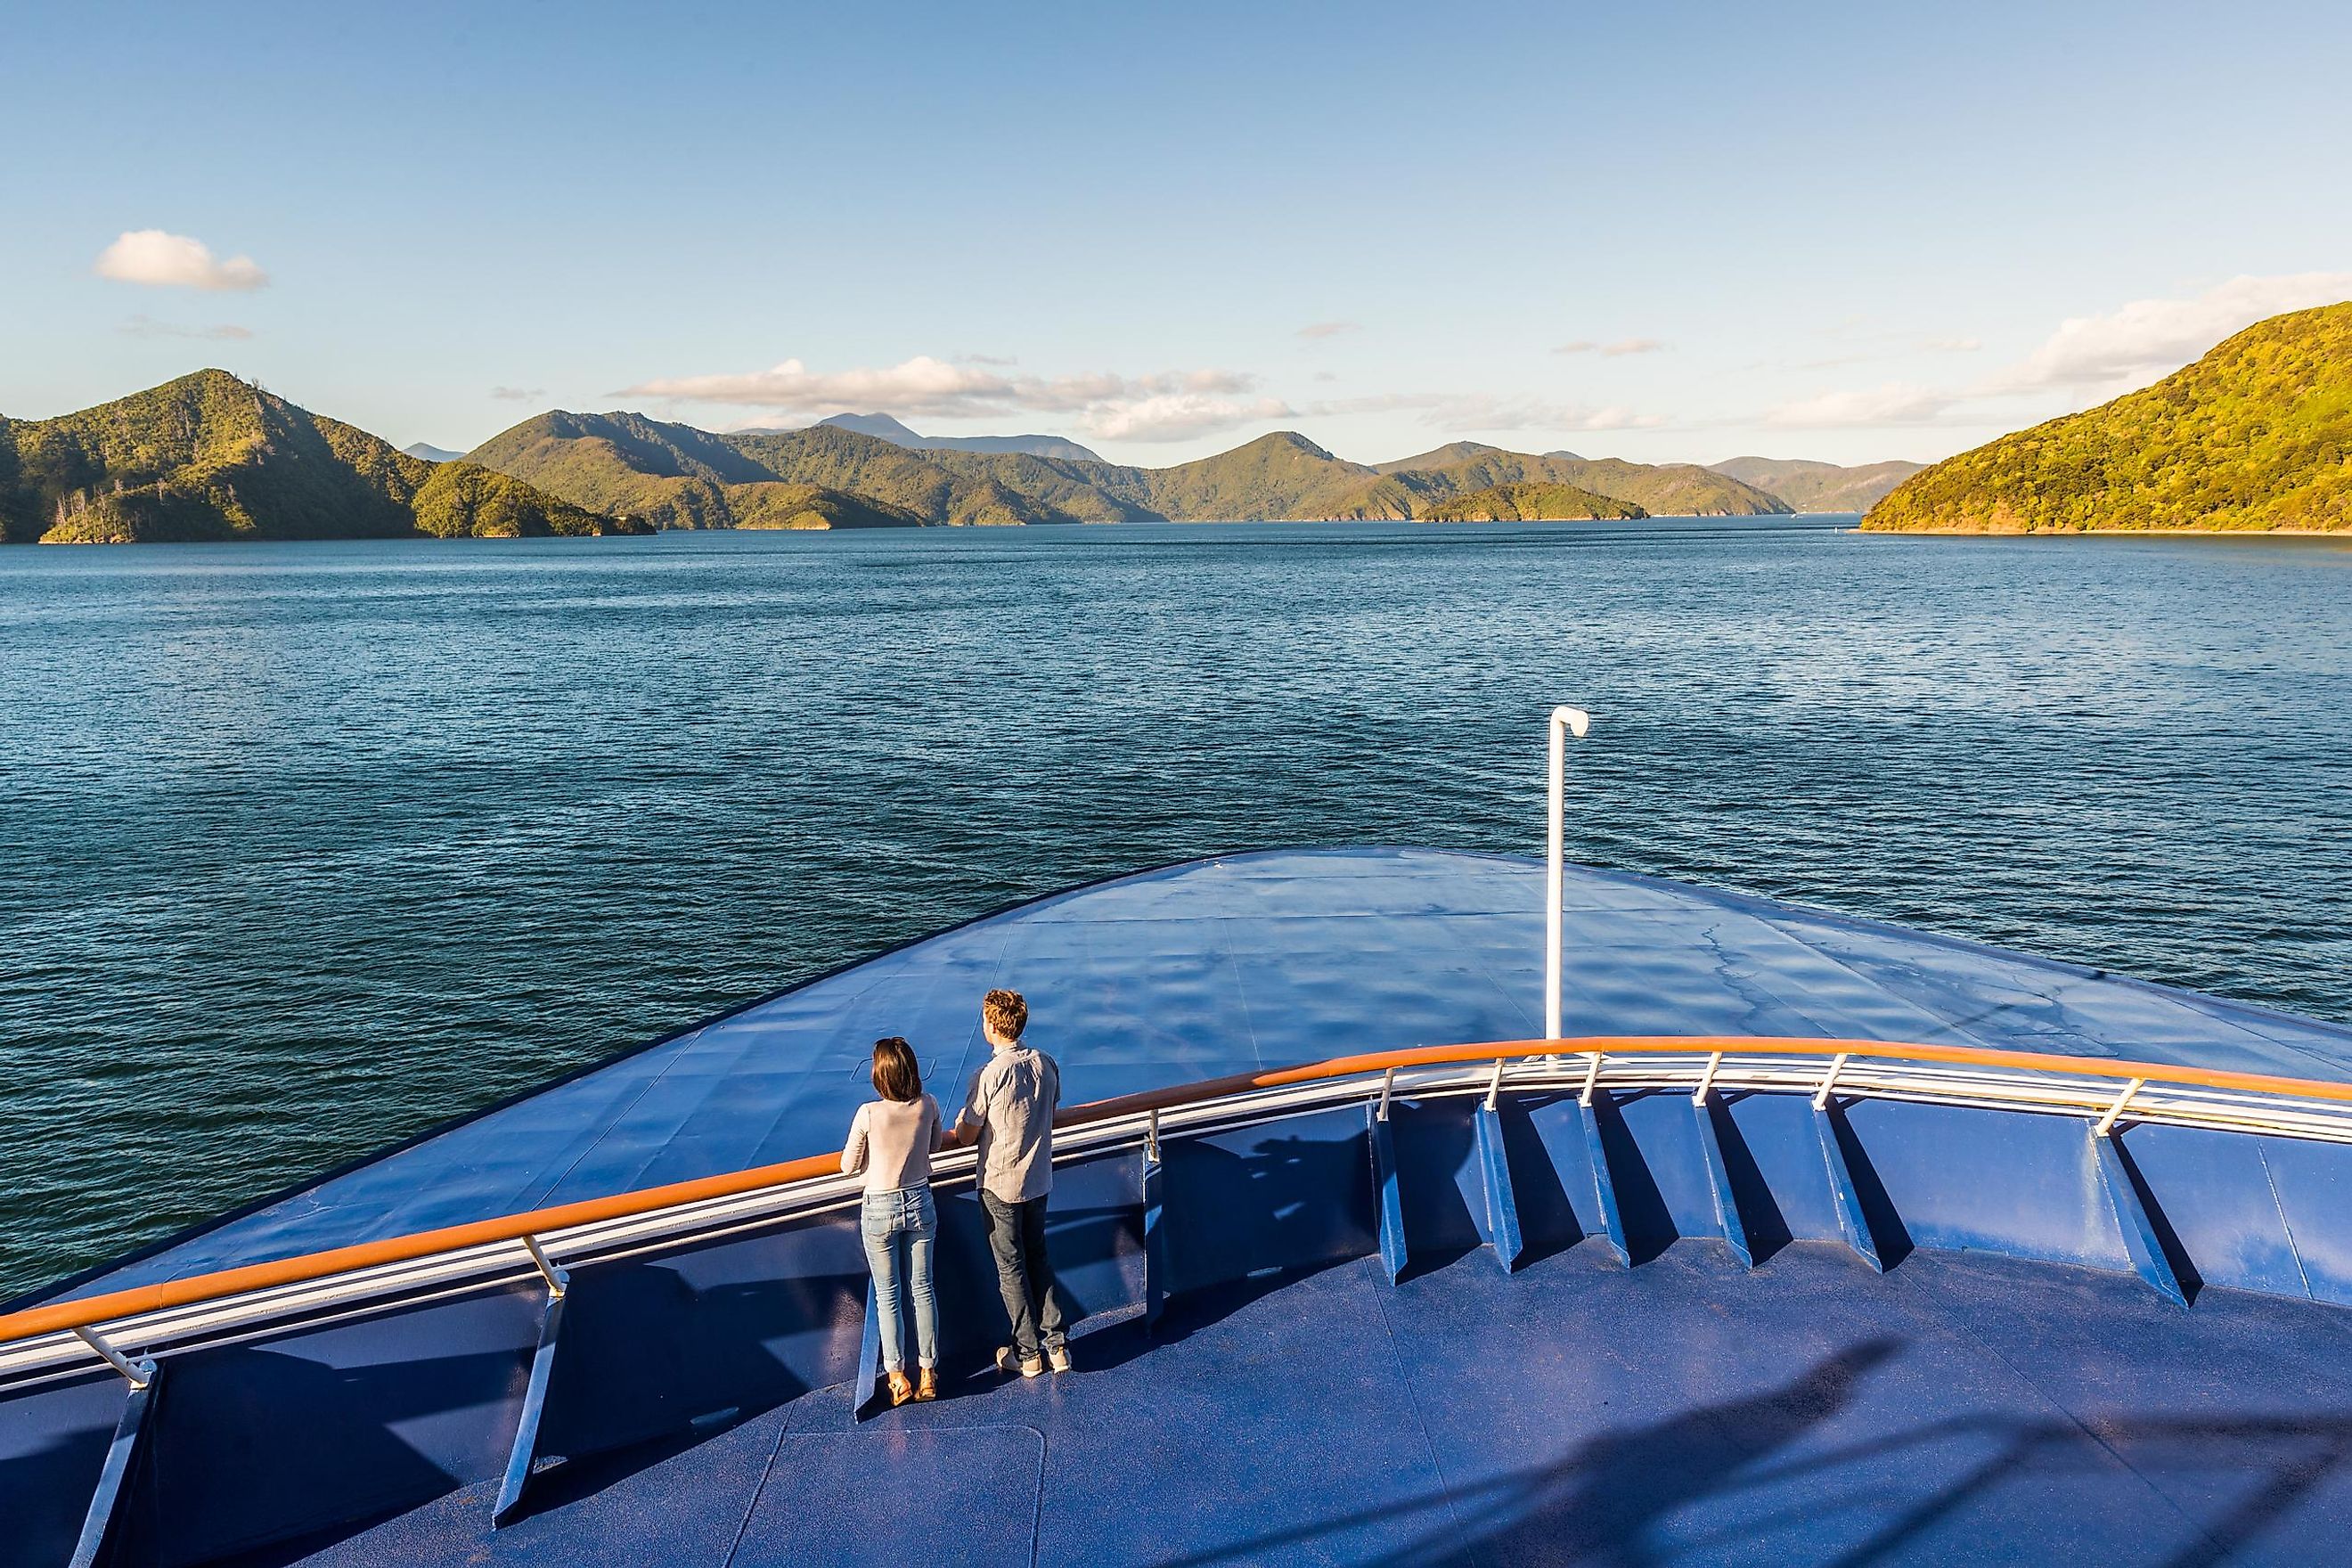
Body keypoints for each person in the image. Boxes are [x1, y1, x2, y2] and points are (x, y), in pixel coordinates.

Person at [951, 987, 1070, 1376]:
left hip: (1000, 1183)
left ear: (990, 1025)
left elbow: (969, 1133)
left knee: (1011, 1267)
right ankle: (1057, 1346)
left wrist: (959, 1126)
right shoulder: (1045, 1062)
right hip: (1039, 1179)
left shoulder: (988, 1075)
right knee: (1039, 1257)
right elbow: (1051, 1109)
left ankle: (1028, 1352)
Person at [841, 1036, 943, 1405]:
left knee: (889, 1295)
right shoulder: (928, 1105)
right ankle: (928, 1373)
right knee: (923, 1288)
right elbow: (935, 1147)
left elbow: (847, 1165)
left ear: (879, 1075)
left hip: (879, 1206)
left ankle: (898, 1377)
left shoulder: (868, 1113)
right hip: (919, 1201)